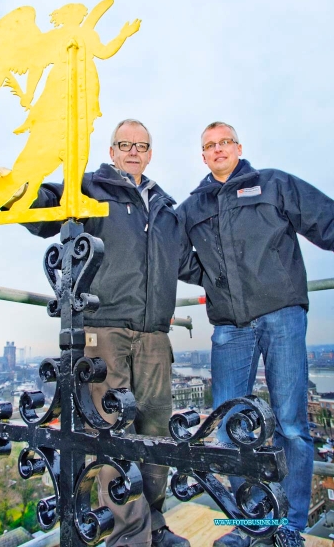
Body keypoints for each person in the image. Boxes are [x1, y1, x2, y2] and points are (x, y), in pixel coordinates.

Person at [0, 119, 198, 547]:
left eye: (142, 145)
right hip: (104, 329)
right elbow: (46, 207)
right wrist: (16, 193)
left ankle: (154, 524)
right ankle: (129, 537)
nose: (134, 151)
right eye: (126, 144)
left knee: (155, 433)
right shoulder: (90, 187)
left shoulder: (164, 209)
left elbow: (190, 265)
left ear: (150, 152)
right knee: (113, 435)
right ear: (113, 149)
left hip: (155, 334)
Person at [178, 121, 334, 547]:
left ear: (238, 147)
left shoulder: (274, 185)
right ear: (203, 156)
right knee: (228, 426)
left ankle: (290, 527)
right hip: (230, 325)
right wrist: (212, 278)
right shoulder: (192, 207)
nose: (218, 149)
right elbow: (170, 254)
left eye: (224, 142)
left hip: (282, 315)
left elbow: (326, 220)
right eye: (209, 145)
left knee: (291, 425)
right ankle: (248, 524)